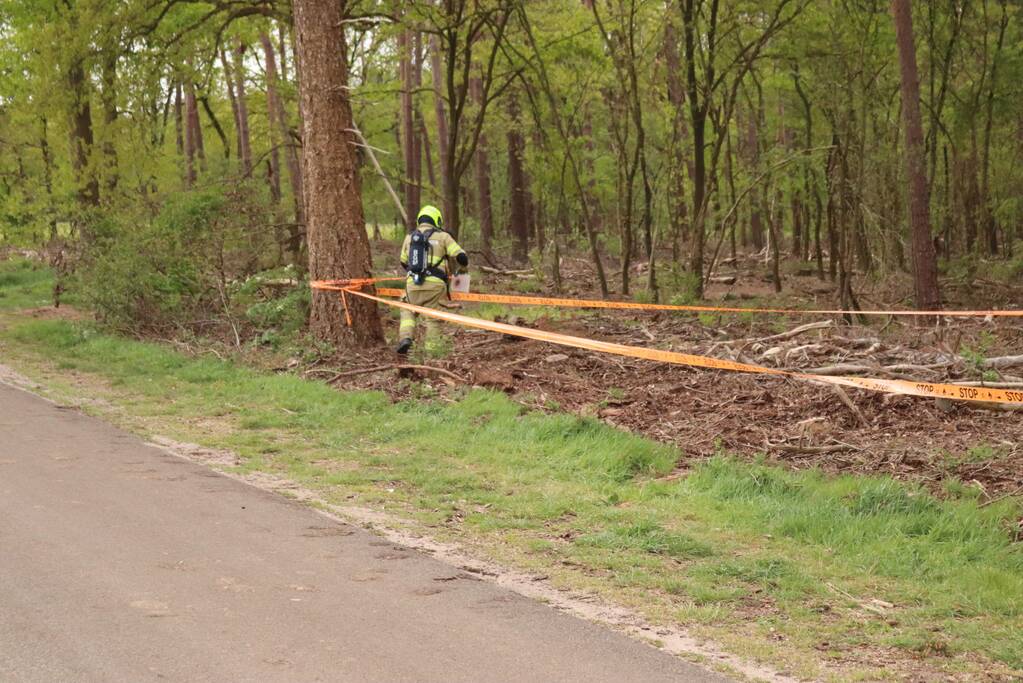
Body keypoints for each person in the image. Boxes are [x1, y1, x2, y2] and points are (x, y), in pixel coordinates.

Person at [396, 205, 468, 355]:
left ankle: (406, 338)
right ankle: (432, 353)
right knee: (433, 319)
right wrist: (461, 270)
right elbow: (461, 256)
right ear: (437, 220)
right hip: (435, 286)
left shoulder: (410, 237)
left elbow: (403, 262)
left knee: (406, 309)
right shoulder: (443, 236)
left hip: (412, 285)